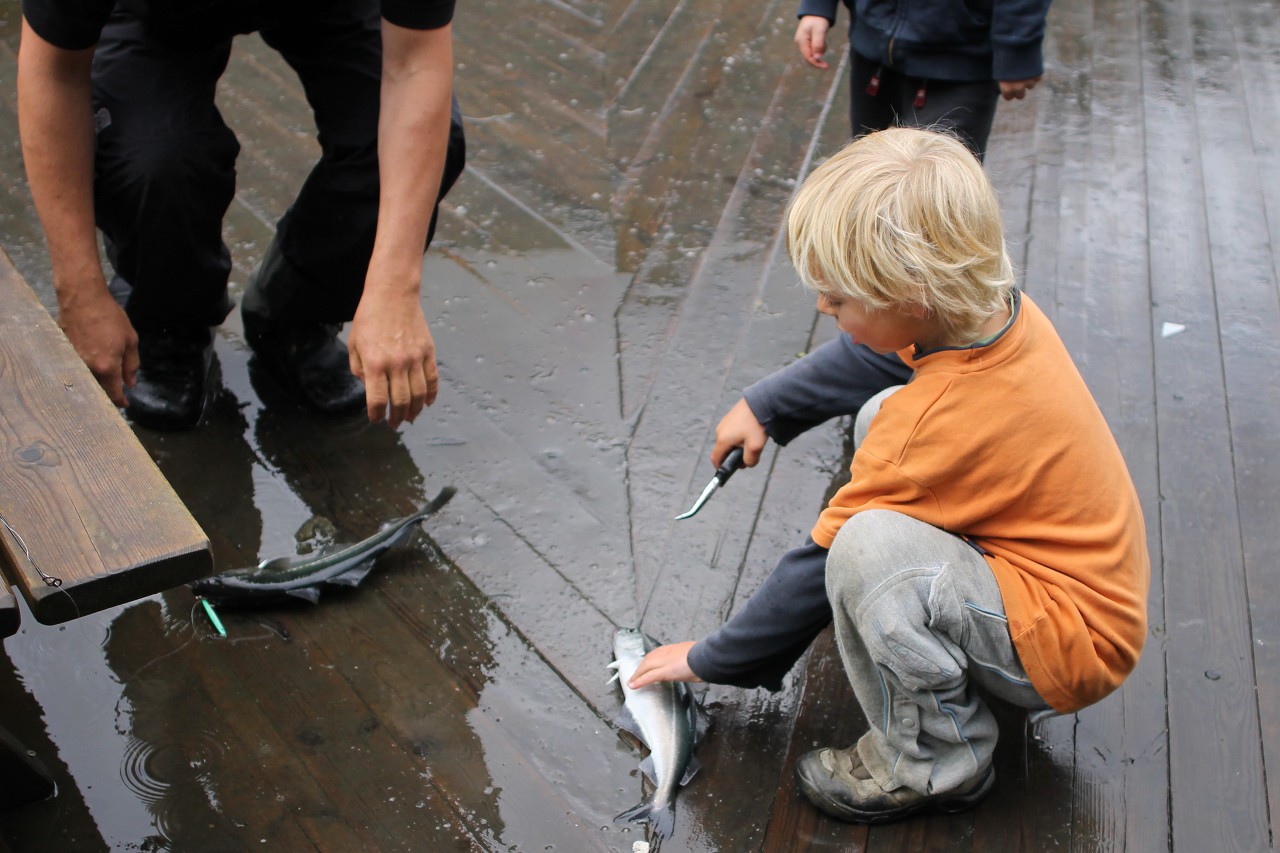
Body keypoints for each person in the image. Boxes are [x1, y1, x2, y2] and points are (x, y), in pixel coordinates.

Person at [628, 128, 1150, 824]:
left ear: (911, 296)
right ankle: (955, 658)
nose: (824, 308)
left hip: (1071, 642)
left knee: (867, 552)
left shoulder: (939, 419)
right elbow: (877, 360)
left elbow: (821, 562)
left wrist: (717, 655)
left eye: (838, 299)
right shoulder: (986, 314)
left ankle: (935, 759)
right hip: (1077, 586)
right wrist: (768, 404)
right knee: (882, 411)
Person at [17, 0, 466, 431]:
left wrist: (395, 288)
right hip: (153, 10)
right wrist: (79, 293)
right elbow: (55, 69)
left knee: (427, 146)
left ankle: (296, 312)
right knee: (156, 165)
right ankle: (172, 324)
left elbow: (415, 66)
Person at [794, 0, 1050, 160]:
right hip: (873, 51)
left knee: (939, 201)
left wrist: (1016, 48)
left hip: (961, 62)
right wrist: (818, 6)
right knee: (865, 179)